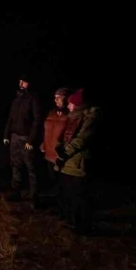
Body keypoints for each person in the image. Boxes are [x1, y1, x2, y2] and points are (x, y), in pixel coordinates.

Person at [54, 88, 101, 234]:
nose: (68, 106)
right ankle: (72, 221)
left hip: (78, 161)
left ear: (77, 105)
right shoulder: (74, 118)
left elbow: (81, 139)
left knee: (80, 196)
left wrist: (65, 153)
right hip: (70, 161)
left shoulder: (90, 118)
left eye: (70, 104)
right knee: (70, 194)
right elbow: (65, 136)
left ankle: (83, 226)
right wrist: (60, 147)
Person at [4, 74, 43, 207]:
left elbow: (37, 120)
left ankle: (34, 197)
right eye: (20, 81)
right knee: (15, 164)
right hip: (15, 136)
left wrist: (31, 140)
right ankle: (16, 191)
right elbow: (10, 118)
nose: (21, 83)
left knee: (31, 167)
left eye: (24, 81)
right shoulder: (16, 98)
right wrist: (6, 135)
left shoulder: (33, 98)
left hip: (26, 138)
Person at [40, 87, 71, 197]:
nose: (56, 100)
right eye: (55, 98)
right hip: (48, 151)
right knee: (52, 179)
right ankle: (55, 202)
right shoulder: (51, 112)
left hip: (59, 154)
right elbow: (46, 129)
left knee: (62, 182)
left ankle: (62, 205)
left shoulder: (70, 115)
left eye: (59, 97)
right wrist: (43, 143)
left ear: (66, 98)